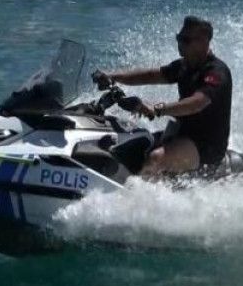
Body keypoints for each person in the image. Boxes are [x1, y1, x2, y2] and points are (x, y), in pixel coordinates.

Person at [93, 16, 232, 174]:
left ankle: (139, 191)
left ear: (203, 42)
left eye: (185, 40)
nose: (180, 44)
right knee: (131, 147)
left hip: (206, 145)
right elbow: (151, 75)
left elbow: (197, 103)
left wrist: (157, 108)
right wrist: (113, 76)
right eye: (179, 38)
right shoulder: (184, 65)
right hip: (182, 133)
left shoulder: (216, 72)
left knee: (156, 159)